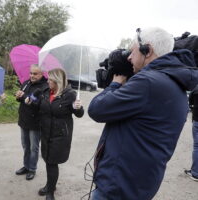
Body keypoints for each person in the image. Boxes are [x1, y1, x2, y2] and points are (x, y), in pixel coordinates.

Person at [88, 27, 198, 200]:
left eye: (131, 51)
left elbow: (96, 109)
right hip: (140, 184)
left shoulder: (148, 82)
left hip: (118, 187)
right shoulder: (175, 83)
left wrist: (116, 83)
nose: (129, 57)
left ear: (148, 50)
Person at [27, 68, 84, 200]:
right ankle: (49, 185)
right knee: (48, 161)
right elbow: (39, 104)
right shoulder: (46, 92)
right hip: (46, 133)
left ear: (57, 81)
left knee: (52, 163)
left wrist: (78, 107)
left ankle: (50, 191)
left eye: (51, 80)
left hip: (60, 135)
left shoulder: (69, 94)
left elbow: (79, 114)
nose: (48, 82)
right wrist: (30, 100)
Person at [15, 64, 49, 180]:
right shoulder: (26, 83)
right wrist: (18, 95)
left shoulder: (45, 86)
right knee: (25, 145)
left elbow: (39, 103)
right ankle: (26, 166)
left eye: (35, 74)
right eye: (31, 73)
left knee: (33, 148)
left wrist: (24, 96)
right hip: (24, 119)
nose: (32, 76)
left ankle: (32, 169)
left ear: (41, 74)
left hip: (36, 122)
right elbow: (21, 99)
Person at [185, 85, 198, 181]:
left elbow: (190, 102)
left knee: (197, 146)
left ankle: (195, 173)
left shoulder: (196, 88)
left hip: (197, 120)